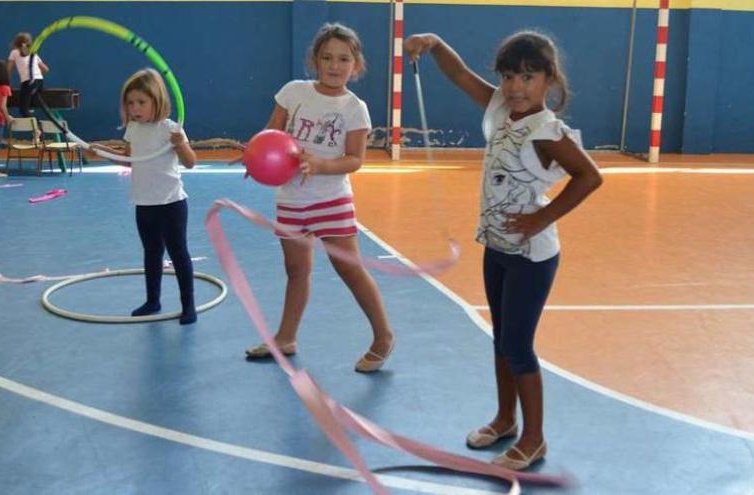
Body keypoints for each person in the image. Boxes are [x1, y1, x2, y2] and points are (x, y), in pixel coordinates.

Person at [404, 30, 603, 469]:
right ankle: (504, 419)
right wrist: (436, 43)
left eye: (528, 77)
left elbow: (590, 177)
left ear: (548, 79)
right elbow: (457, 73)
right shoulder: (499, 106)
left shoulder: (548, 130)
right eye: (509, 76)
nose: (516, 86)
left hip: (532, 255)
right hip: (496, 246)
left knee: (518, 345)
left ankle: (534, 439)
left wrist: (542, 218)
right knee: (501, 340)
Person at [244, 23, 395, 373]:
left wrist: (322, 164)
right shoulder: (294, 92)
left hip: (331, 201)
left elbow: (355, 160)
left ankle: (383, 336)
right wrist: (255, 158)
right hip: (291, 200)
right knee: (296, 271)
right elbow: (270, 134)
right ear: (315, 59)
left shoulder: (354, 108)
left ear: (356, 65)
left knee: (350, 270)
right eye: (327, 57)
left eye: (344, 59)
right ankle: (286, 337)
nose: (334, 65)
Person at [91, 69, 198, 325]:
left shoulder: (171, 129)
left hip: (171, 202)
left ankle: (188, 306)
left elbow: (191, 162)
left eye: (141, 102)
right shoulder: (133, 129)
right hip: (144, 202)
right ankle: (153, 301)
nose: (135, 108)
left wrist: (180, 144)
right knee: (151, 252)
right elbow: (129, 160)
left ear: (156, 100)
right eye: (130, 103)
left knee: (178, 253)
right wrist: (102, 151)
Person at [7, 33, 49, 117]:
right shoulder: (33, 53)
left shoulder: (14, 52)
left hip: (28, 82)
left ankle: (37, 129)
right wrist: (36, 74)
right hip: (39, 82)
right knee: (31, 103)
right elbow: (45, 69)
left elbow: (9, 69)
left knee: (23, 109)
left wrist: (6, 83)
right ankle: (31, 110)